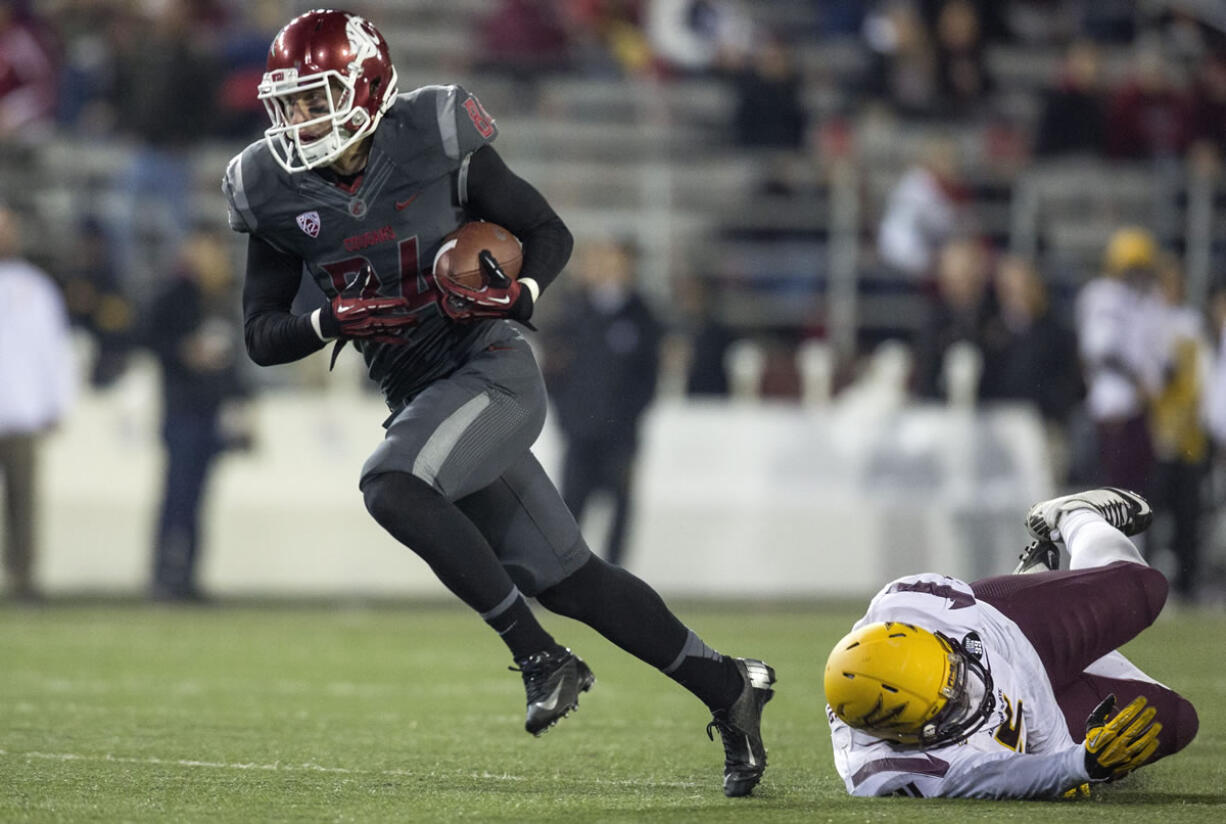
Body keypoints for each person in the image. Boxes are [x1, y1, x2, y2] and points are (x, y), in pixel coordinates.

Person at [223, 9, 774, 797]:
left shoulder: (431, 133)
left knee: (392, 484)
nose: (298, 118)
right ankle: (729, 688)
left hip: (490, 365)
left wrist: (518, 292)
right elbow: (262, 333)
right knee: (570, 577)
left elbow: (546, 231)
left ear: (368, 88)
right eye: (291, 102)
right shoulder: (268, 188)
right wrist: (329, 318)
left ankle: (540, 656)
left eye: (316, 99)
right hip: (423, 394)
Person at [823, 487, 1199, 799]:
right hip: (1013, 725)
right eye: (949, 707)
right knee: (1177, 720)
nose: (966, 693)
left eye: (955, 673)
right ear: (901, 737)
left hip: (1013, 630)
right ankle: (1058, 610)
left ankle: (1073, 515)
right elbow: (994, 776)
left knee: (1143, 589)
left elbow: (1019, 664)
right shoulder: (891, 772)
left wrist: (1063, 758)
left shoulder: (913, 603)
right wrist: (1082, 764)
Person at [145, 226, 251, 602]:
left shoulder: (220, 300)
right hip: (182, 413)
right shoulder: (174, 297)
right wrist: (184, 352)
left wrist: (241, 406)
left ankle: (187, 576)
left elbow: (235, 361)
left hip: (211, 414)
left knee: (198, 501)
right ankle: (163, 576)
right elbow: (149, 338)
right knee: (177, 497)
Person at [543, 237, 662, 567]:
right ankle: (561, 577)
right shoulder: (571, 312)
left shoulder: (642, 315)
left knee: (621, 507)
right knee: (570, 510)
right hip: (579, 431)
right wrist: (568, 417)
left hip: (621, 435)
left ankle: (617, 581)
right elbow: (553, 372)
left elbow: (649, 378)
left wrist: (629, 418)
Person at [0, 202, 76, 602]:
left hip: (21, 412)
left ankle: (22, 578)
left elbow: (54, 350)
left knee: (23, 504)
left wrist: (55, 403)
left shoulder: (36, 286)